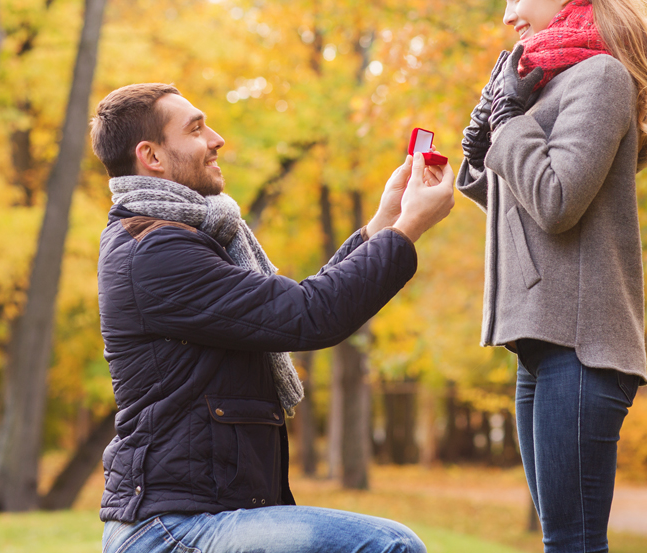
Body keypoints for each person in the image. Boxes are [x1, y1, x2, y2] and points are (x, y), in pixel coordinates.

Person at [90, 82, 454, 553]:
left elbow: (290, 306)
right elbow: (309, 315)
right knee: (389, 546)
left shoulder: (182, 238)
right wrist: (408, 231)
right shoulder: (155, 253)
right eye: (197, 129)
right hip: (170, 529)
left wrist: (385, 222)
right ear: (152, 157)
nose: (216, 139)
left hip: (210, 514)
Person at [457, 0, 647, 553]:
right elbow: (526, 217)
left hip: (583, 345)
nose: (508, 15)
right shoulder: (544, 82)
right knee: (560, 540)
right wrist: (478, 154)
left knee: (573, 543)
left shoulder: (600, 79)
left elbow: (558, 203)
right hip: (540, 344)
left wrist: (508, 123)